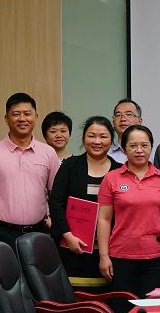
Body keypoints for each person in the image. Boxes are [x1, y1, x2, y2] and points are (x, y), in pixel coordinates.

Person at [97, 125, 160, 313]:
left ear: (151, 147)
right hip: (121, 257)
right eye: (133, 146)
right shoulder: (111, 178)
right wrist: (104, 256)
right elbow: (104, 219)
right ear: (124, 149)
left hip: (156, 257)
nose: (139, 150)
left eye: (144, 145)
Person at [0, 92, 60, 249]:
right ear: (6, 119)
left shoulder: (48, 153)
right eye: (16, 114)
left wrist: (57, 228)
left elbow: (56, 194)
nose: (22, 118)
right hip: (1, 232)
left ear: (36, 117)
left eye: (27, 114)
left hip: (39, 232)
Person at [49, 116, 121, 292]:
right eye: (91, 136)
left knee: (106, 299)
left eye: (103, 136)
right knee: (76, 299)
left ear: (111, 139)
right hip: (73, 247)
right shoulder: (70, 166)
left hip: (110, 251)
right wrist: (67, 236)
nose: (97, 141)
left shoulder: (119, 170)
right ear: (83, 138)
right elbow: (56, 202)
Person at [108, 99, 144, 163]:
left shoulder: (153, 154)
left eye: (129, 114)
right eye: (118, 115)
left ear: (139, 121)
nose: (123, 119)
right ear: (113, 122)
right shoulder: (106, 154)